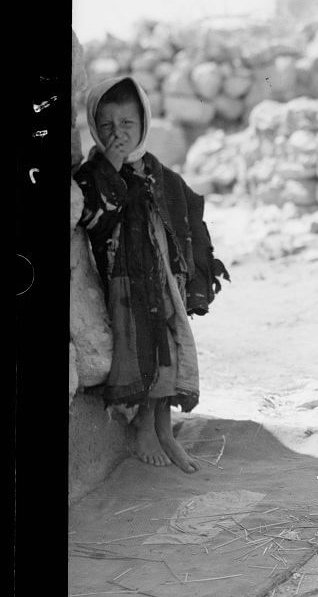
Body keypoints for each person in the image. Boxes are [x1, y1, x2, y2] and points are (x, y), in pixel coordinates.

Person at [73, 76, 229, 474]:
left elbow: (186, 214)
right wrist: (108, 163)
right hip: (127, 283)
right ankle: (144, 428)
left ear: (143, 123)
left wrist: (192, 275)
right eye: (106, 127)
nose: (117, 135)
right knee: (143, 349)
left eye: (127, 124)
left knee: (169, 353)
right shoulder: (94, 173)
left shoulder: (158, 171)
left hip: (165, 281)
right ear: (94, 128)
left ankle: (165, 430)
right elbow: (94, 217)